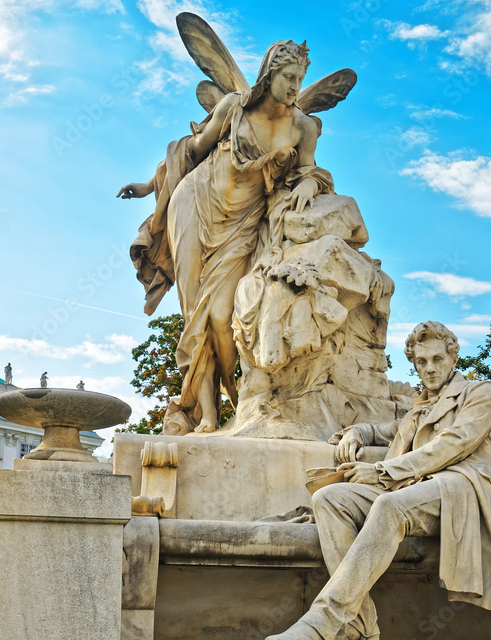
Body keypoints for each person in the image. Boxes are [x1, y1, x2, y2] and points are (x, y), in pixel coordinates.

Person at [265, 321, 491, 640]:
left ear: (453, 358)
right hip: (413, 490)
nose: (429, 369)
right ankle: (357, 625)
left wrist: (382, 471)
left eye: (438, 359)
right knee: (329, 498)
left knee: (389, 505)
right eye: (422, 362)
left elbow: (452, 444)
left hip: (461, 490)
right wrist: (356, 433)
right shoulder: (419, 409)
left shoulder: (481, 394)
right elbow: (383, 431)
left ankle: (326, 619)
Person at [117, 40, 331, 434]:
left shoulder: (302, 126)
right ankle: (208, 416)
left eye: (299, 79)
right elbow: (193, 149)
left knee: (221, 316)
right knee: (193, 313)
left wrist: (310, 183)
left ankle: (237, 402)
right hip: (193, 206)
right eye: (288, 77)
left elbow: (309, 169)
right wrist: (151, 186)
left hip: (242, 224)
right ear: (270, 74)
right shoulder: (235, 105)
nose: (295, 86)